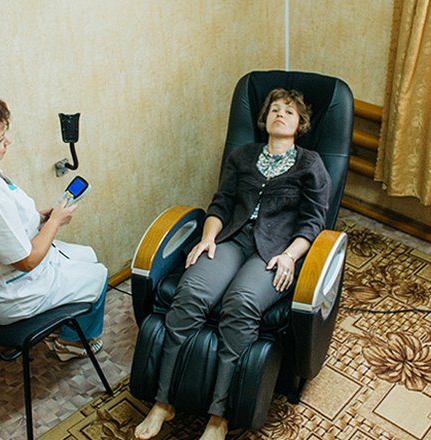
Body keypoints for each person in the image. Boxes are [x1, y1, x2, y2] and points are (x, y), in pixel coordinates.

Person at [134, 89, 330, 440]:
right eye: (274, 109)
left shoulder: (310, 163)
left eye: (289, 111)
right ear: (264, 119)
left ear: (301, 124)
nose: (280, 114)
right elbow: (221, 204)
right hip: (231, 239)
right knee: (189, 294)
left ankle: (218, 416)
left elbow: (314, 221)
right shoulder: (242, 156)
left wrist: (290, 256)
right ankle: (163, 401)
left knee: (241, 304)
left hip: (276, 250)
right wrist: (207, 238)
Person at [0, 94, 107, 361]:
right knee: (98, 275)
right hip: (11, 292)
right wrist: (55, 221)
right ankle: (72, 343)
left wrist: (39, 218)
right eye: (0, 139)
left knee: (88, 255)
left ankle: (62, 327)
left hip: (0, 269)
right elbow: (27, 261)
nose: (8, 141)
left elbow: (1, 223)